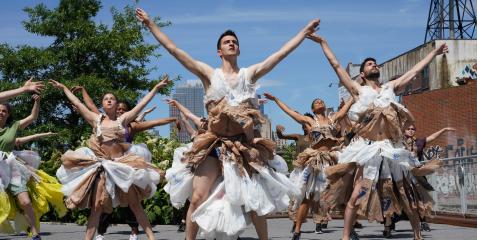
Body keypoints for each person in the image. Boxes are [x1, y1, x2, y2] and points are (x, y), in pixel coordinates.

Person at [136, 7, 320, 240]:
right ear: (219, 51)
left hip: (244, 146)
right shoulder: (209, 74)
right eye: (226, 41)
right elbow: (174, 50)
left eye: (234, 41)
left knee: (255, 203)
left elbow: (280, 54)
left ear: (239, 48)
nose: (231, 43)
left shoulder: (249, 75)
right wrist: (150, 24)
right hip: (214, 145)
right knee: (198, 197)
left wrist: (303, 32)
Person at [308, 31, 448, 240]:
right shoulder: (357, 90)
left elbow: (415, 70)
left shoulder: (390, 88)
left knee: (405, 193)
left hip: (392, 149)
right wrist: (323, 43)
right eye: (369, 64)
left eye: (375, 63)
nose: (374, 65)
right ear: (362, 74)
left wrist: (435, 53)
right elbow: (336, 66)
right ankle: (345, 237)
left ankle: (417, 235)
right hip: (368, 149)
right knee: (357, 195)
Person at [51, 77, 169, 240]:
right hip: (101, 167)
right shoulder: (96, 119)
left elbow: (142, 103)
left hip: (121, 165)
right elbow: (78, 104)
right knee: (97, 207)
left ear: (116, 104)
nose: (109, 101)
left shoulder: (123, 119)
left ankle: (151, 237)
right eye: (106, 99)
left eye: (112, 99)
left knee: (135, 205)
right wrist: (64, 87)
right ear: (102, 104)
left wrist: (155, 88)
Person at [265, 93, 352, 240]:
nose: (320, 102)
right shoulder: (310, 121)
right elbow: (289, 111)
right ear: (312, 109)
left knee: (342, 193)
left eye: (321, 101)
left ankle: (350, 229)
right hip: (316, 161)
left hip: (332, 158)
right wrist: (276, 100)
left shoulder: (333, 118)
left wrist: (357, 92)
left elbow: (347, 107)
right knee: (308, 197)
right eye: (316, 102)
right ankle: (298, 230)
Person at [0, 95, 66, 240]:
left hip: (10, 167)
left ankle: (35, 232)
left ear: (8, 114)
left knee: (26, 201)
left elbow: (32, 117)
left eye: (4, 111)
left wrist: (37, 101)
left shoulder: (14, 126)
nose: (1, 113)